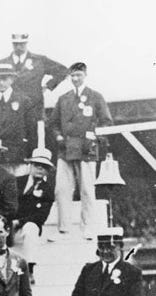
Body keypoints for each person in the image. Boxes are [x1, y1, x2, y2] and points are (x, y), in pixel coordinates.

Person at [47, 62, 113, 242]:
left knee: (86, 190)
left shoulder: (95, 96)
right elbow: (52, 124)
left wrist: (94, 136)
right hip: (65, 150)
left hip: (86, 149)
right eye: (73, 76)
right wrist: (59, 137)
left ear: (85, 75)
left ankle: (88, 227)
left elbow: (106, 121)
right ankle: (63, 229)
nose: (75, 79)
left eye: (78, 75)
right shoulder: (63, 98)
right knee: (61, 190)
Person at [0, 32, 68, 119]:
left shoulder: (39, 61)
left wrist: (48, 86)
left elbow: (63, 71)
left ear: (26, 43)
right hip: (9, 110)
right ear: (12, 44)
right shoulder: (3, 64)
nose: (18, 47)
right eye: (16, 44)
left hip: (33, 109)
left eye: (22, 44)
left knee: (34, 133)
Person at [0, 63, 39, 175]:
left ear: (12, 80)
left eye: (4, 79)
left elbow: (32, 131)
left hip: (18, 157)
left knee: (18, 189)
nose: (1, 83)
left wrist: (30, 156)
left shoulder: (24, 101)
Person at [13, 148, 57, 281]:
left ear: (48, 171)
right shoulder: (16, 182)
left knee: (31, 229)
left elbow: (41, 217)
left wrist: (19, 222)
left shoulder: (47, 190)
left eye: (44, 167)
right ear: (30, 166)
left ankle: (29, 270)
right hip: (9, 224)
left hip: (27, 224)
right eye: (37, 165)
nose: (40, 169)